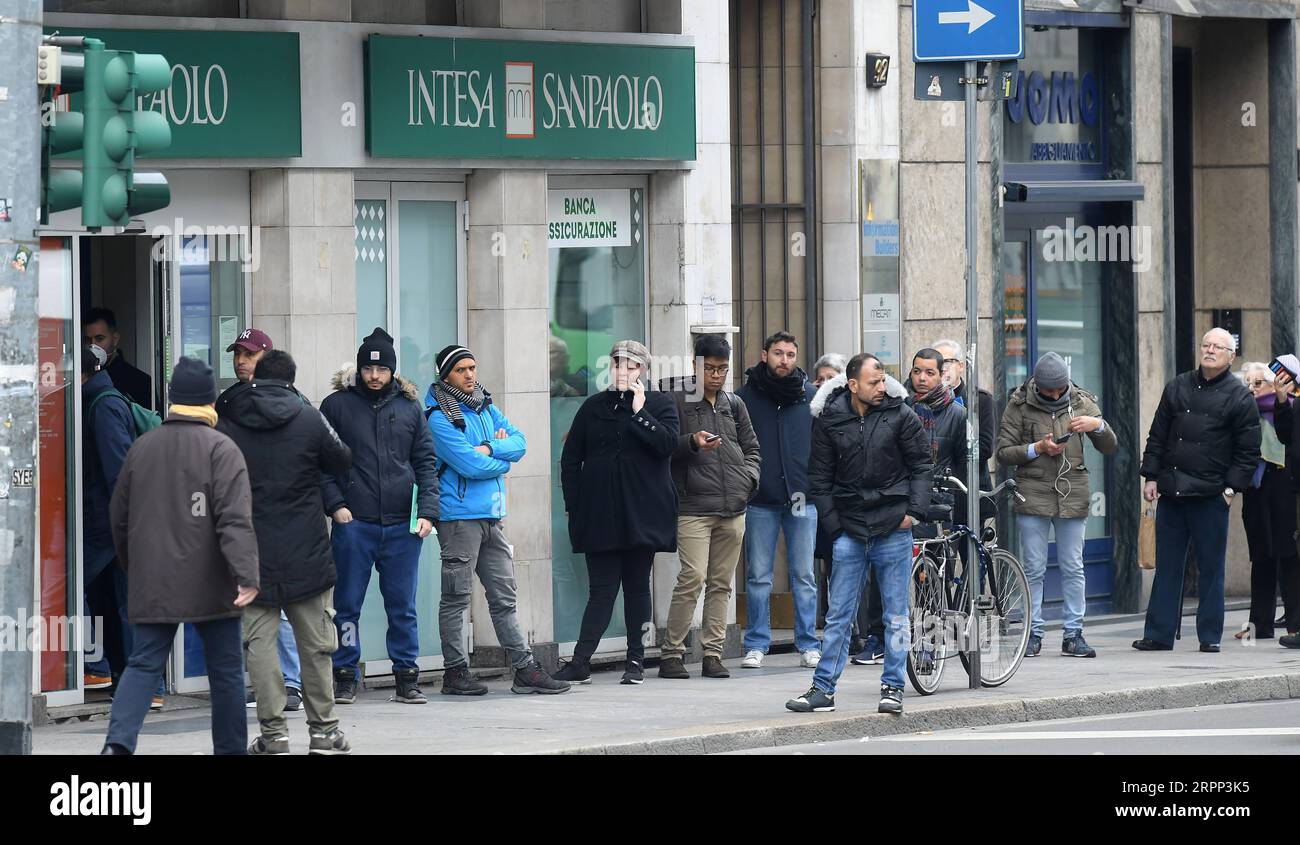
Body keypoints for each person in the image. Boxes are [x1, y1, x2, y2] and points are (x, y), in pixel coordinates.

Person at [100, 358, 259, 755]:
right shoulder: (222, 449)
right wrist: (246, 573)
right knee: (225, 673)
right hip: (213, 579)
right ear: (209, 401)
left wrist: (132, 565)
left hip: (154, 575)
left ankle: (117, 746)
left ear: (173, 399)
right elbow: (233, 518)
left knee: (143, 663)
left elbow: (118, 517)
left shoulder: (143, 447)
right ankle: (230, 750)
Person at [217, 350, 355, 755]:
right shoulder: (309, 417)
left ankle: (274, 736)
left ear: (257, 375)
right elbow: (342, 458)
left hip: (250, 551)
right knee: (315, 645)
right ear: (291, 380)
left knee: (259, 645)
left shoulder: (230, 419)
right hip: (306, 550)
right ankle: (324, 733)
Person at [787, 352, 931, 715]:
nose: (881, 387)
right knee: (839, 615)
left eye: (883, 380)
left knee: (896, 615)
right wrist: (834, 527)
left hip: (893, 528)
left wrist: (913, 513)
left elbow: (921, 466)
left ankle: (893, 687)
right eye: (873, 382)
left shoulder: (901, 414)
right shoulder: (829, 420)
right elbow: (818, 479)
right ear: (852, 385)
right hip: (849, 530)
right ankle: (823, 690)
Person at [424, 345, 570, 695]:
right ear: (446, 375)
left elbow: (520, 442)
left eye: (472, 367)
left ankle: (524, 670)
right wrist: (500, 460)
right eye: (461, 370)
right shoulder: (437, 415)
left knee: (504, 596)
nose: (470, 375)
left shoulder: (485, 405)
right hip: (458, 517)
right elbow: (467, 465)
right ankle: (455, 673)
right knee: (457, 598)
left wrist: (491, 449)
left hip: (491, 514)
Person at [321, 328, 439, 704]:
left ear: (392, 371)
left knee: (402, 607)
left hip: (404, 527)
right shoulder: (336, 406)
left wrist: (429, 512)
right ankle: (345, 672)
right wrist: (336, 506)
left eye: (382, 370)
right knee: (347, 606)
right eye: (368, 369)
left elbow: (425, 463)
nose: (374, 376)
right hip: (354, 524)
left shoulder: (409, 409)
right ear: (359, 369)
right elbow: (319, 463)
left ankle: (406, 675)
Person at [555, 340, 679, 685]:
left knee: (638, 587)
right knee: (601, 589)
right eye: (618, 364)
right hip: (600, 513)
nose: (624, 371)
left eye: (632, 366)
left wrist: (641, 414)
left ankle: (636, 660)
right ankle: (581, 661)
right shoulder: (593, 406)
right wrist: (574, 505)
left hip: (642, 513)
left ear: (644, 370)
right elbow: (570, 460)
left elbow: (668, 446)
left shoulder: (660, 404)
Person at [1134, 328, 1261, 653]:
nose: (1209, 350)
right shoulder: (1177, 386)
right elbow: (1158, 435)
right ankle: (1159, 634)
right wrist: (1150, 476)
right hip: (1172, 492)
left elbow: (1248, 451)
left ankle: (1209, 636)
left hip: (1211, 496)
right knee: (1168, 567)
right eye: (1205, 344)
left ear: (1231, 355)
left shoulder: (1239, 396)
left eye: (1218, 346)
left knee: (1211, 569)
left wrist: (1231, 489)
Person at [996, 351, 1117, 658]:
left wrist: (1097, 426)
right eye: (1048, 390)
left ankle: (1074, 633)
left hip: (1072, 490)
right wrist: (1037, 448)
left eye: (1058, 389)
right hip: (1033, 492)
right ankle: (1032, 632)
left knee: (1073, 566)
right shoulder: (1019, 403)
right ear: (1038, 385)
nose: (1054, 394)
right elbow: (1003, 452)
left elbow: (1110, 446)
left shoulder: (1080, 401)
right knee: (1034, 568)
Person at [657, 334, 761, 680]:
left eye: (723, 369)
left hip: (733, 506)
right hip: (693, 505)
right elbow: (661, 445)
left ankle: (713, 653)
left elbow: (753, 448)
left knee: (721, 583)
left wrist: (749, 480)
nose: (716, 375)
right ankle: (672, 652)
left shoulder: (734, 403)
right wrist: (691, 443)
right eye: (710, 369)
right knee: (692, 578)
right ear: (695, 365)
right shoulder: (676, 399)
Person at [215, 328, 304, 712]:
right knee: (245, 602)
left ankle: (291, 683)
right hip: (239, 515)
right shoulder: (228, 401)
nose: (240, 360)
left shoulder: (291, 402)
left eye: (249, 355)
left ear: (266, 358)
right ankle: (262, 681)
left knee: (276, 604)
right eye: (237, 353)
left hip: (279, 518)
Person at [736, 331, 821, 669]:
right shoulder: (744, 398)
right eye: (778, 353)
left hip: (802, 497)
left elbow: (824, 448)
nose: (784, 360)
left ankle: (808, 643)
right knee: (758, 575)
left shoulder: (811, 397)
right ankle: (757, 643)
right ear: (764, 354)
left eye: (790, 354)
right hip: (761, 498)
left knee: (803, 575)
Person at [80, 345, 136, 694]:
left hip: (106, 520)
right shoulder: (105, 399)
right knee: (127, 601)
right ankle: (146, 684)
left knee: (67, 588)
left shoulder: (103, 405)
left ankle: (92, 665)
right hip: (115, 519)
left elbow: (120, 469)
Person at [1238, 362, 1300, 641]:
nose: (1252, 389)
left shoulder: (1288, 407)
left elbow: (1289, 438)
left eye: (1258, 383)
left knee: (1288, 556)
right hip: (1256, 488)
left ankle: (1295, 625)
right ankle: (1257, 625)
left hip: (1285, 487)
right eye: (1248, 384)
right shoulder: (1244, 414)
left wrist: (1283, 401)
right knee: (1260, 556)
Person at [82, 307, 153, 409]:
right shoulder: (81, 378)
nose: (93, 345)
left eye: (99, 339)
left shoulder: (139, 382)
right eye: (87, 340)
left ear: (115, 339)